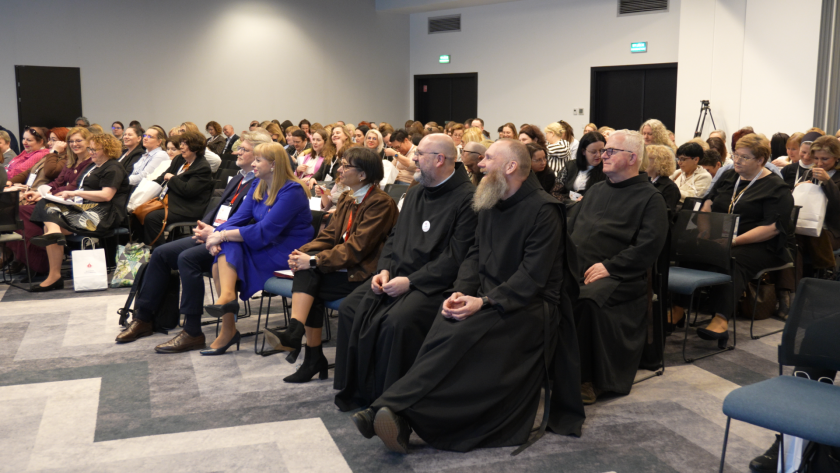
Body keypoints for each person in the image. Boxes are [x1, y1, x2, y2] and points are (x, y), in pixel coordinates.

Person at [351, 139, 584, 454]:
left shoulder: (544, 210)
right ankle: (398, 414)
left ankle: (393, 408)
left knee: (461, 336)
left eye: (488, 158)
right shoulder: (490, 198)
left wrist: (485, 302)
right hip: (488, 297)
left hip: (529, 307)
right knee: (444, 323)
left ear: (511, 166)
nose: (480, 163)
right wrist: (461, 291)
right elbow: (475, 256)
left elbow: (532, 277)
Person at [335, 134, 477, 409]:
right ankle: (358, 390)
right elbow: (394, 237)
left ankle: (390, 401)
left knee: (398, 321)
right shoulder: (415, 192)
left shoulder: (467, 199)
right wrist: (384, 270)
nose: (413, 159)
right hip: (395, 275)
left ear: (439, 159)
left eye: (419, 155)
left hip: (433, 284)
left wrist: (411, 281)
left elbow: (456, 257)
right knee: (352, 306)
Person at [115, 131, 274, 349]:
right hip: (215, 234)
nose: (237, 152)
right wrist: (206, 227)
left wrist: (217, 234)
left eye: (244, 150)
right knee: (161, 254)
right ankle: (144, 318)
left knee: (187, 259)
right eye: (239, 148)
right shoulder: (239, 177)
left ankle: (192, 331)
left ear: (259, 155)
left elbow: (254, 224)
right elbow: (218, 208)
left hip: (234, 244)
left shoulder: (263, 183)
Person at [265, 147, 399, 382]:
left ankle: (307, 351)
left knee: (309, 279)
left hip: (365, 272)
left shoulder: (381, 204)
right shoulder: (349, 197)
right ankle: (304, 346)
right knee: (307, 276)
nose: (339, 169)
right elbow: (330, 236)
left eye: (346, 166)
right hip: (343, 266)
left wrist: (314, 260)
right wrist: (302, 252)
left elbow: (357, 248)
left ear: (362, 175)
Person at [568, 129, 668, 404]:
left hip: (621, 276)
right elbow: (570, 226)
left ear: (633, 158)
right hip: (578, 267)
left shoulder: (651, 198)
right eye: (603, 150)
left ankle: (589, 379)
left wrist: (611, 267)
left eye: (611, 151)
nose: (603, 155)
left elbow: (649, 246)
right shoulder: (597, 189)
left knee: (586, 302)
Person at [671, 134, 794, 345]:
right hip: (721, 238)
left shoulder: (776, 187)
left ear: (761, 160)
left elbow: (772, 228)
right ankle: (678, 309)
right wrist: (705, 232)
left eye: (745, 157)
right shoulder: (729, 177)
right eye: (736, 154)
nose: (737, 160)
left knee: (731, 258)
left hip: (760, 245)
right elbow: (708, 203)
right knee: (689, 249)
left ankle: (720, 319)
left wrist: (733, 241)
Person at [195, 142, 314, 355]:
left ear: (274, 165)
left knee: (226, 248)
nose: (254, 164)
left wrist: (219, 236)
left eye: (259, 160)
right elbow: (239, 219)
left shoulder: (293, 190)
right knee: (227, 246)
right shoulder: (258, 185)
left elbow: (265, 231)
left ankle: (228, 323)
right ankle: (228, 310)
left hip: (287, 251)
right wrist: (216, 237)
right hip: (266, 243)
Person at [27, 134, 130, 291]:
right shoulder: (93, 166)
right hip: (85, 209)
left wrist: (75, 194)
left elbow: (106, 195)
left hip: (102, 215)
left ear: (108, 149)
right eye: (90, 148)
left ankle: (54, 274)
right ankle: (54, 272)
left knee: (48, 219)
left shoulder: (113, 167)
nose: (91, 152)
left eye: (95, 149)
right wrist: (69, 197)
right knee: (45, 204)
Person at [3, 127, 94, 275]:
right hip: (54, 199)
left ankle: (37, 262)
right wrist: (38, 192)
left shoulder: (89, 162)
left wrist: (45, 194)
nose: (74, 144)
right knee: (16, 213)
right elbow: (57, 182)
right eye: (71, 141)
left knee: (20, 212)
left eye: (78, 141)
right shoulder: (72, 161)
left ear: (89, 142)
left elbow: (71, 185)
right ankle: (31, 260)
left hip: (72, 205)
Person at [135, 131, 214, 246]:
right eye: (181, 143)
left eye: (185, 144)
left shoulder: (202, 167)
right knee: (138, 211)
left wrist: (172, 179)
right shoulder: (180, 159)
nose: (181, 146)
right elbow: (164, 176)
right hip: (170, 200)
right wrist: (151, 186)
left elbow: (188, 191)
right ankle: (143, 246)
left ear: (195, 147)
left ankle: (160, 251)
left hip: (187, 207)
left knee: (151, 217)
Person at [550, 131, 606, 203]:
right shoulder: (570, 166)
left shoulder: (607, 170)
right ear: (583, 151)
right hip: (570, 208)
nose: (599, 155)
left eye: (602, 150)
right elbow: (555, 193)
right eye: (593, 152)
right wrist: (570, 201)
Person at [645, 144, 680, 221]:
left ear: (659, 162)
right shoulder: (645, 182)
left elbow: (667, 214)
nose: (643, 162)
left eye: (648, 159)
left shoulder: (670, 187)